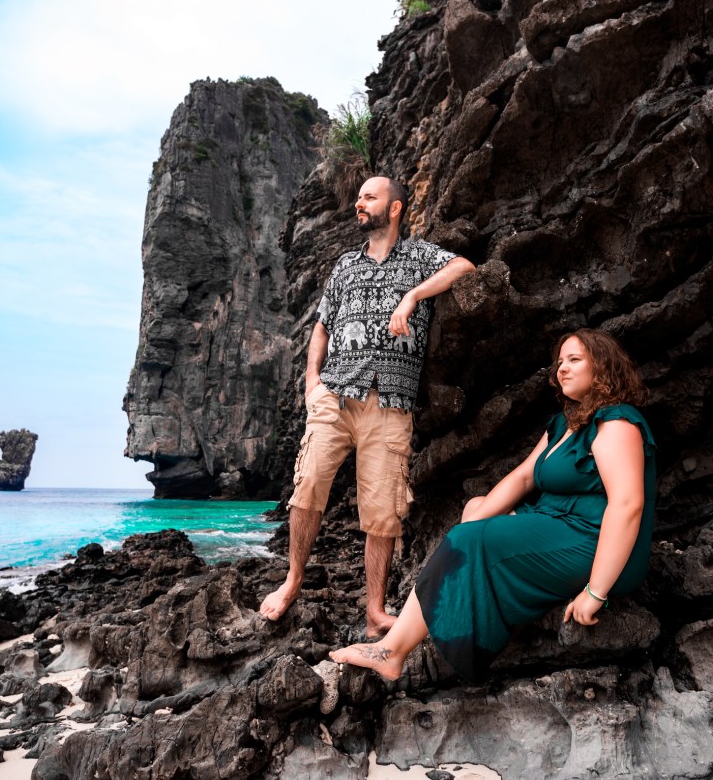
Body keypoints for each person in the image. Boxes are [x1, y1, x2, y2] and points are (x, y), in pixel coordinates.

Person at [329, 328, 656, 681]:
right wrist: (468, 527)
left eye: (574, 360)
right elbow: (524, 478)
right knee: (474, 511)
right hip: (559, 523)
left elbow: (627, 505)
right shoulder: (565, 423)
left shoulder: (617, 422)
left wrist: (596, 591)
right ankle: (436, 616)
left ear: (603, 368)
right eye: (560, 362)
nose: (561, 369)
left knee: (468, 542)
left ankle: (391, 652)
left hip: (595, 540)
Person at [260, 175, 476, 637]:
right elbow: (322, 325)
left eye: (369, 197)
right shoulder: (344, 266)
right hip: (335, 395)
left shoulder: (419, 255)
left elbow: (465, 267)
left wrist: (414, 295)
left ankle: (375, 610)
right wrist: (311, 381)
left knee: (383, 510)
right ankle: (292, 580)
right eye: (357, 196)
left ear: (394, 208)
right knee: (309, 484)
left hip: (391, 403)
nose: (359, 203)